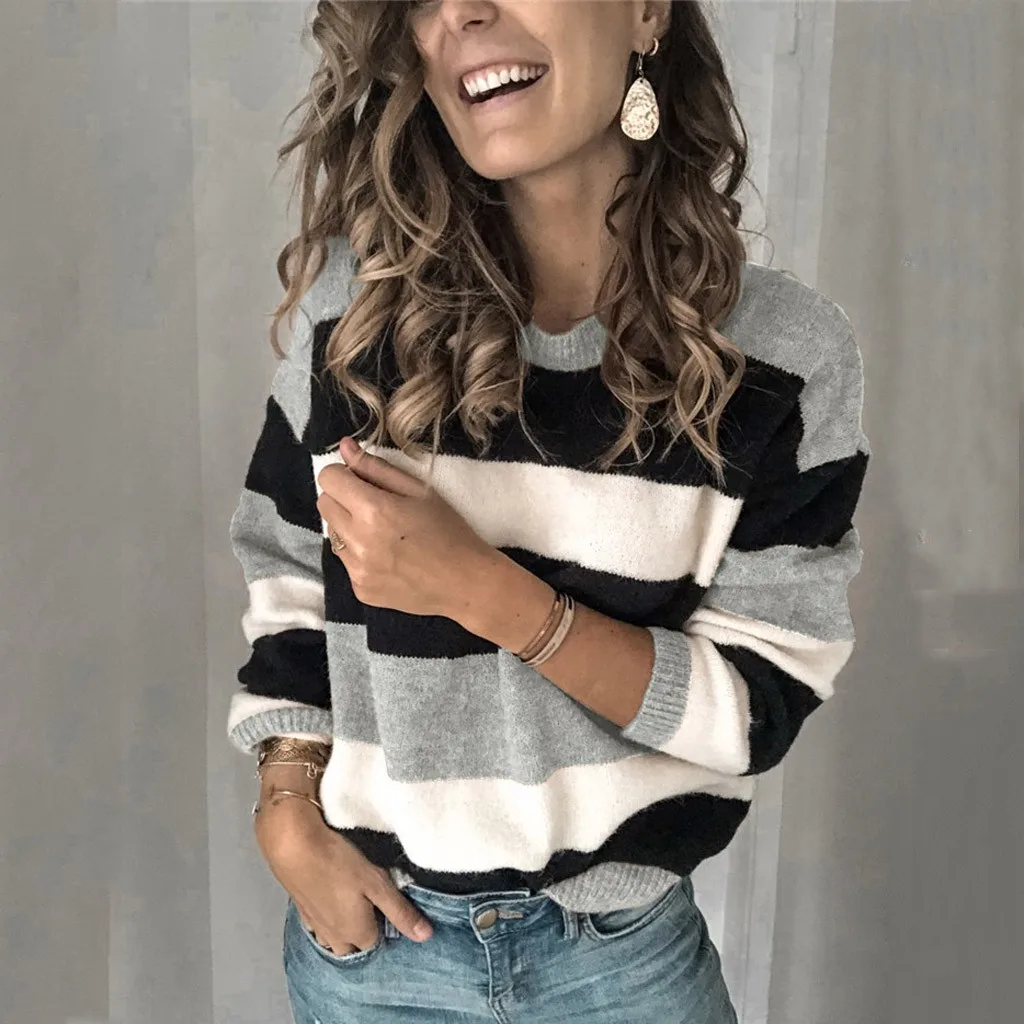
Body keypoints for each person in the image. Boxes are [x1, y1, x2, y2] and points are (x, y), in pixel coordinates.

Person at [226, 2, 870, 1021]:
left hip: (625, 971)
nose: (462, 12)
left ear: (646, 12)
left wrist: (482, 591)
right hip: (373, 961)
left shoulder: (783, 362)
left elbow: (754, 706)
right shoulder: (351, 316)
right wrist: (286, 807)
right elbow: (289, 582)